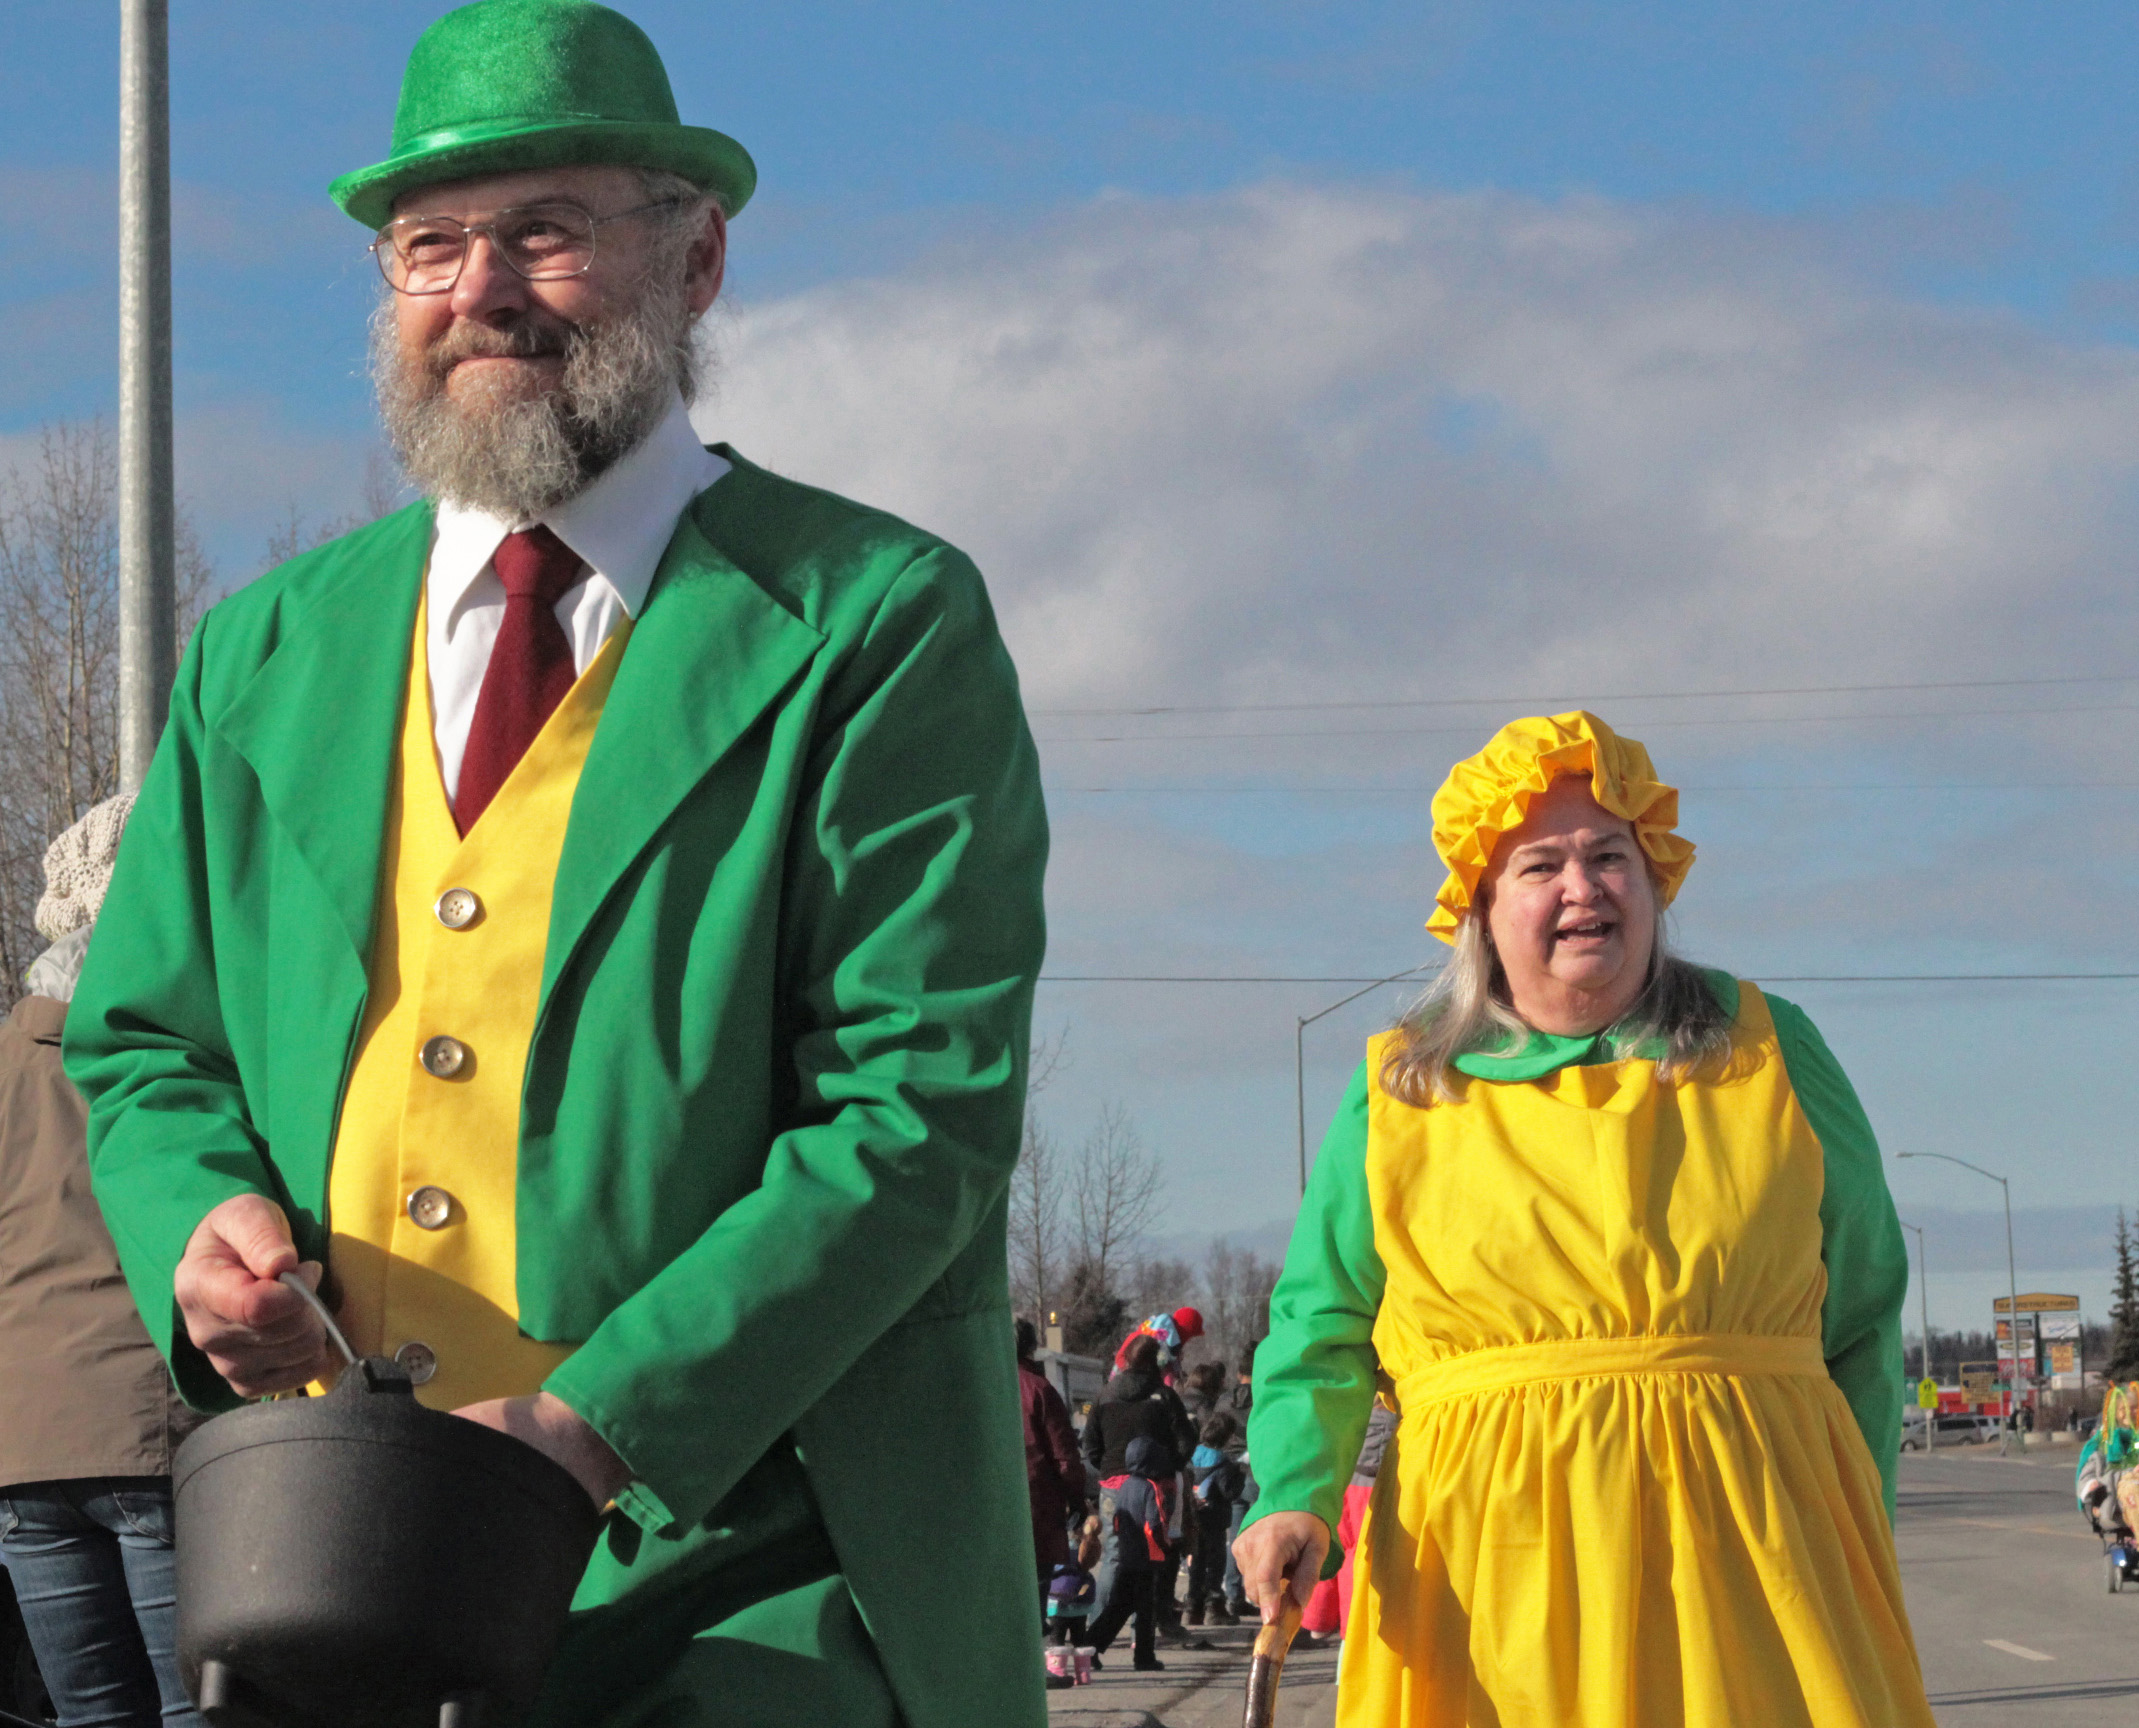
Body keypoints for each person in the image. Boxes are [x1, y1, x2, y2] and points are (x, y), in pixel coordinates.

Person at [64, 7, 1047, 1727]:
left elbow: (918, 1105)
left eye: (548, 232)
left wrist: (596, 1424)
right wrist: (196, 1228)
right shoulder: (262, 651)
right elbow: (149, 1043)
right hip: (329, 1554)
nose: (482, 289)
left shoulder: (873, 618)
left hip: (760, 1570)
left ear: (697, 259)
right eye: (429, 246)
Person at [1232, 712, 1934, 1727]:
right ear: (1479, 904)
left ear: (1654, 885)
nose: (1583, 888)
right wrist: (1294, 1492)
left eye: (1612, 857)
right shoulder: (1401, 1090)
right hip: (1489, 1577)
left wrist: (1856, 1522)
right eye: (1541, 865)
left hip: (1762, 1565)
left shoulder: (1771, 1052)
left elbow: (1862, 1311)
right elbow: (1321, 1326)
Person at [0, 797, 204, 1728]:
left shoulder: (4, 1065)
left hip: (22, 1452)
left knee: (92, 1720)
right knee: (203, 1712)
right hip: (153, 1429)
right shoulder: (178, 1059)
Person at [1082, 1437, 1172, 1673]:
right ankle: (1144, 1657)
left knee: (1118, 1608)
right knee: (1145, 1612)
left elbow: (1117, 1521)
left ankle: (1089, 1648)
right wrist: (1165, 1546)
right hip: (1147, 1559)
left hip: (1127, 1556)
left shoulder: (1124, 1486)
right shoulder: (1151, 1487)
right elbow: (1154, 1523)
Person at [1017, 1320, 1086, 1621]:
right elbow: (1065, 1458)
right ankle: (1036, 1658)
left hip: (986, 1504)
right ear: (1032, 1348)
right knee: (1037, 1584)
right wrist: (1078, 1500)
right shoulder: (1040, 1389)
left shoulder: (977, 1385)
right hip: (1036, 1502)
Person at [1184, 1411, 1246, 1626]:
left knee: (1196, 1562)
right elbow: (1230, 1492)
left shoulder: (1191, 1458)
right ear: (1227, 1436)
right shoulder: (1225, 1463)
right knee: (1215, 1562)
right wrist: (1240, 1473)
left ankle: (1192, 1606)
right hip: (1216, 1520)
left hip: (1194, 1517)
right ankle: (1214, 1606)